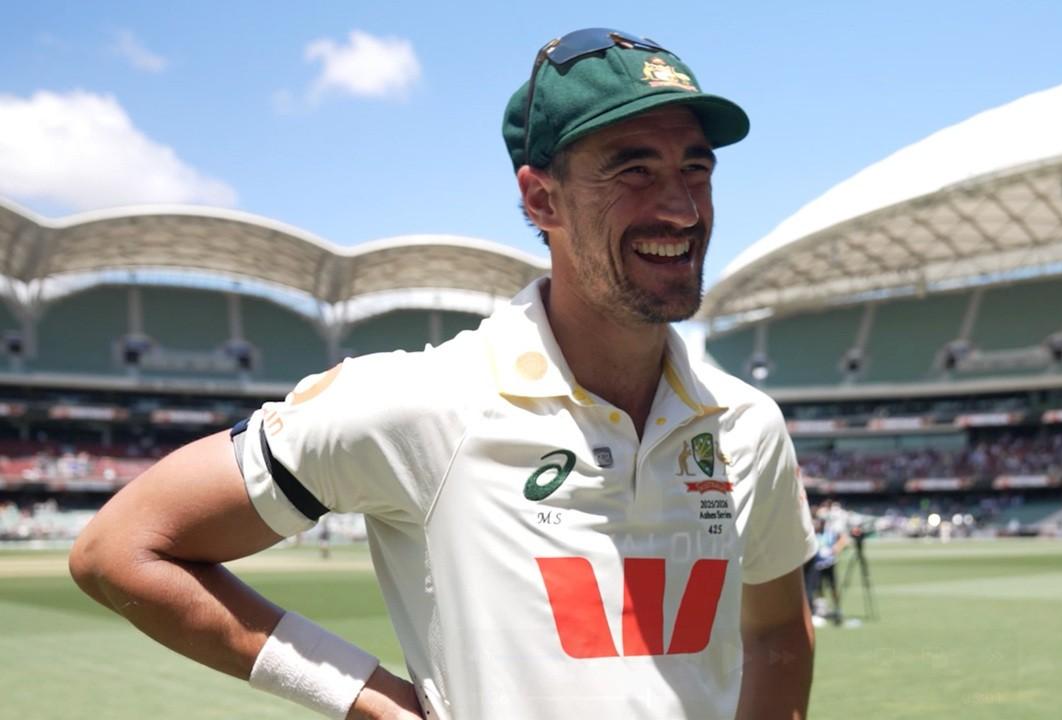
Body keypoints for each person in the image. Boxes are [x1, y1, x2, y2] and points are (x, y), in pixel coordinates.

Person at [69, 27, 817, 720]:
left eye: (696, 167)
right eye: (635, 170)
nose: (682, 208)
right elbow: (121, 549)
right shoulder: (424, 403)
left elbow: (779, 630)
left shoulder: (746, 424)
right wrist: (366, 699)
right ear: (542, 199)